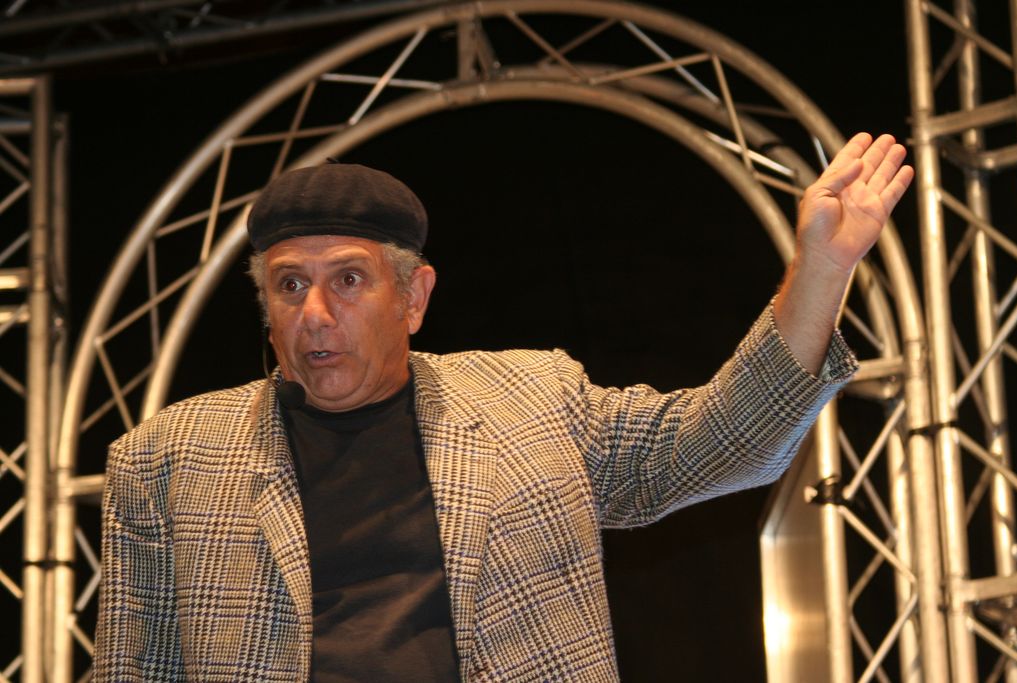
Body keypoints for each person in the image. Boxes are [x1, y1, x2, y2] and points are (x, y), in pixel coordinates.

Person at [94, 133, 913, 681]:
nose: (314, 313)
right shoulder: (167, 458)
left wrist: (822, 268)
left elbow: (718, 442)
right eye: (289, 285)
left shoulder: (534, 400)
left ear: (413, 296)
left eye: (346, 278)